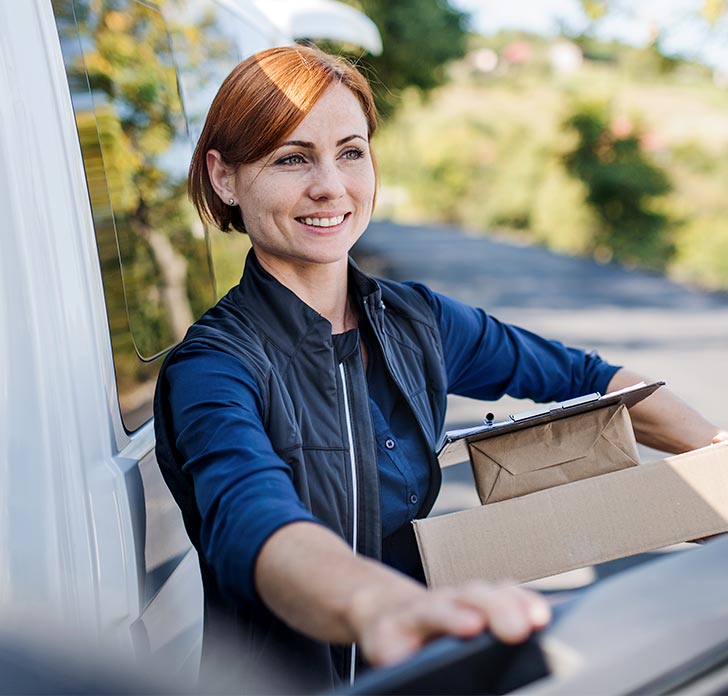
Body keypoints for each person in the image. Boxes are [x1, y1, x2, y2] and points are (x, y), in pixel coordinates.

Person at [153, 45, 728, 692]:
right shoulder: (212, 365)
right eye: (291, 158)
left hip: (422, 673)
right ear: (225, 177)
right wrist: (383, 605)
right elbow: (254, 519)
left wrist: (711, 458)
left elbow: (591, 376)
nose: (331, 186)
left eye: (350, 151)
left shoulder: (417, 321)